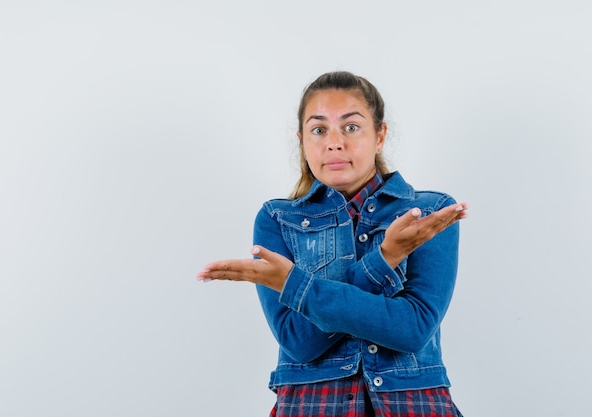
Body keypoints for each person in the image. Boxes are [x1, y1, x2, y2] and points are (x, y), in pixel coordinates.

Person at [197, 71, 468, 416]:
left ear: (380, 134)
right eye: (319, 129)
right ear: (303, 140)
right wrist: (385, 258)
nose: (334, 142)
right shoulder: (277, 219)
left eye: (351, 127)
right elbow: (299, 342)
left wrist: (298, 288)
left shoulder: (429, 213)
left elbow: (412, 329)